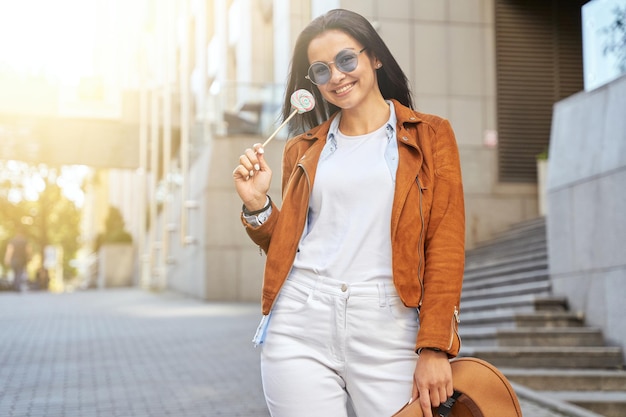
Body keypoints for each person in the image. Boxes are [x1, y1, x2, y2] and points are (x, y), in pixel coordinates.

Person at [232, 9, 465, 417]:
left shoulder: (431, 136)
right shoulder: (301, 149)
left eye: (345, 60)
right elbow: (287, 247)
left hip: (389, 327)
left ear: (373, 57)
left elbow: (445, 247)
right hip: (300, 321)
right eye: (321, 70)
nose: (336, 77)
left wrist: (435, 347)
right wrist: (258, 206)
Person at [4, 227, 31, 292]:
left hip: (14, 259)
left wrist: (7, 258)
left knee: (15, 273)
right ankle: (17, 286)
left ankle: (15, 286)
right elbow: (28, 249)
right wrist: (29, 257)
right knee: (20, 273)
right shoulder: (24, 240)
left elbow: (10, 250)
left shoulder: (13, 240)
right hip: (22, 259)